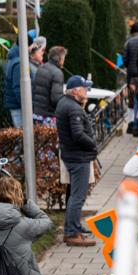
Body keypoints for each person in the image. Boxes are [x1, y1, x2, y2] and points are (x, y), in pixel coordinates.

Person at [56, 76, 97, 247]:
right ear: (75, 91)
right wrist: (93, 144)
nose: (87, 91)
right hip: (78, 157)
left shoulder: (64, 103)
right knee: (78, 197)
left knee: (74, 195)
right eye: (84, 88)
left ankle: (73, 228)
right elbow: (78, 134)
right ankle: (72, 233)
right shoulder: (73, 108)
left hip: (72, 155)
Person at [32, 46, 66, 122]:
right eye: (63, 58)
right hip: (49, 115)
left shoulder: (40, 68)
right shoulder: (57, 73)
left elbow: (34, 90)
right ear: (60, 59)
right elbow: (55, 99)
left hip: (37, 112)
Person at [4, 44, 23, 128]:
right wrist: (25, 105)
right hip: (18, 106)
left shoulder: (13, 60)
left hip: (15, 105)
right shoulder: (18, 64)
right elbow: (17, 88)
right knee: (22, 134)